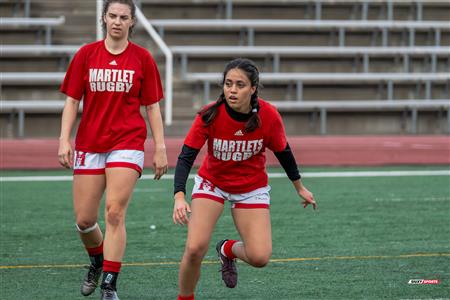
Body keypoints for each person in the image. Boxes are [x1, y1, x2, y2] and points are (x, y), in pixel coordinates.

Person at [172, 58, 317, 300]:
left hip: (251, 187)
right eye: (228, 84)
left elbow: (284, 152)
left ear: (253, 89)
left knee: (260, 257)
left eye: (240, 85)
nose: (232, 90)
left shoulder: (268, 115)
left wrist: (299, 187)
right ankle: (185, 297)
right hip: (213, 183)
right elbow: (186, 156)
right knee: (195, 247)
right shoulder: (209, 114)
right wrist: (179, 195)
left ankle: (227, 249)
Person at [57, 1, 168, 299]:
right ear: (104, 18)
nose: (117, 22)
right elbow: (71, 101)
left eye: (124, 17)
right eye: (112, 16)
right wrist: (63, 139)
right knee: (84, 220)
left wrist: (160, 147)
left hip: (127, 143)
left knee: (115, 212)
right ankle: (96, 259)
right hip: (90, 143)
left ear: (132, 22)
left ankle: (109, 282)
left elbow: (152, 107)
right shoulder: (86, 55)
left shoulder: (143, 58)